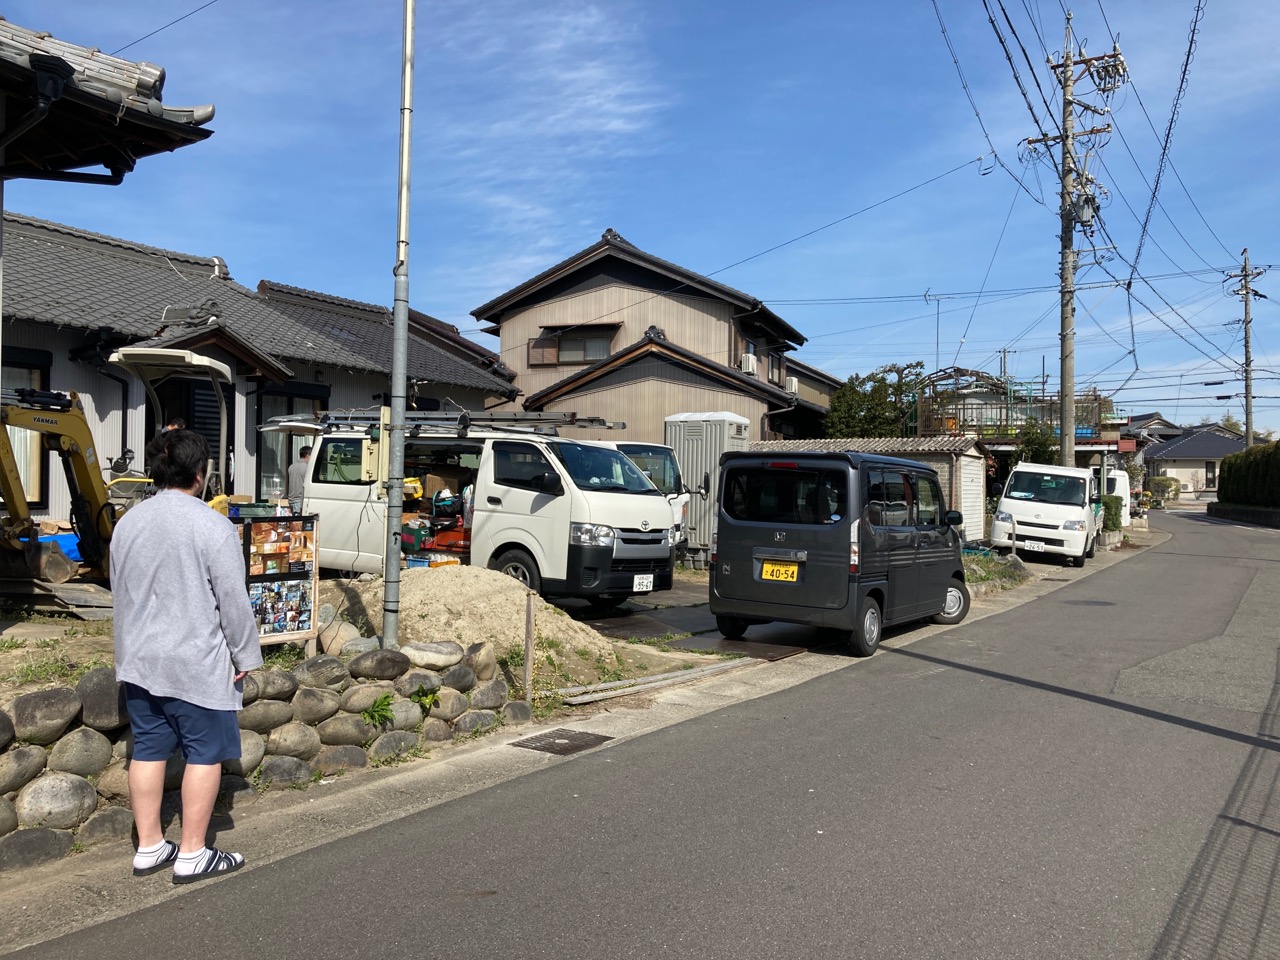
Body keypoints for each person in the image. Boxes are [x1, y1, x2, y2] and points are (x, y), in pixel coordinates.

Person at [112, 429, 262, 885]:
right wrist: (246, 655)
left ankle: (150, 845)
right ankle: (194, 852)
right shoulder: (211, 526)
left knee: (148, 748)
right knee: (205, 753)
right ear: (200, 472)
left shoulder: (127, 524)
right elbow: (232, 601)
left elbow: (120, 591)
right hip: (194, 658)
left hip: (140, 658)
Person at [287, 445, 312, 514]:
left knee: (295, 520)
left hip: (291, 501)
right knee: (300, 520)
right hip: (300, 501)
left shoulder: (291, 466)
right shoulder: (308, 467)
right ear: (307, 455)